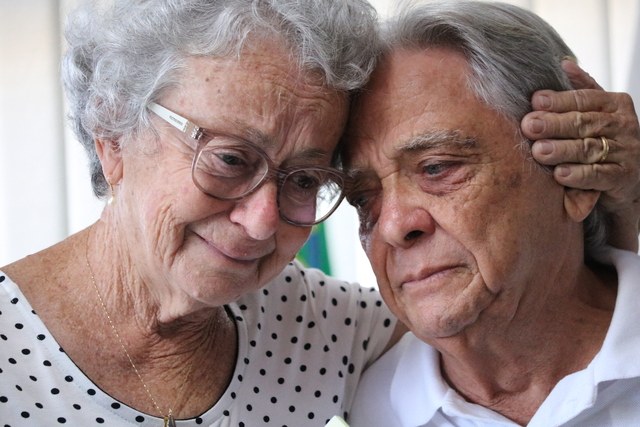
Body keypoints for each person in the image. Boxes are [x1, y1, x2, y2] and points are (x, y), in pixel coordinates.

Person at [0, 0, 637, 426]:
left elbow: (534, 308)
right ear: (112, 135)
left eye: (304, 179)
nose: (263, 222)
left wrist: (623, 195)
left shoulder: (320, 330)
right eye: (229, 159)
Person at [344, 1, 640, 426]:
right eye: (361, 197)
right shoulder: (370, 407)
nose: (392, 226)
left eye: (436, 168)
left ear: (577, 179)